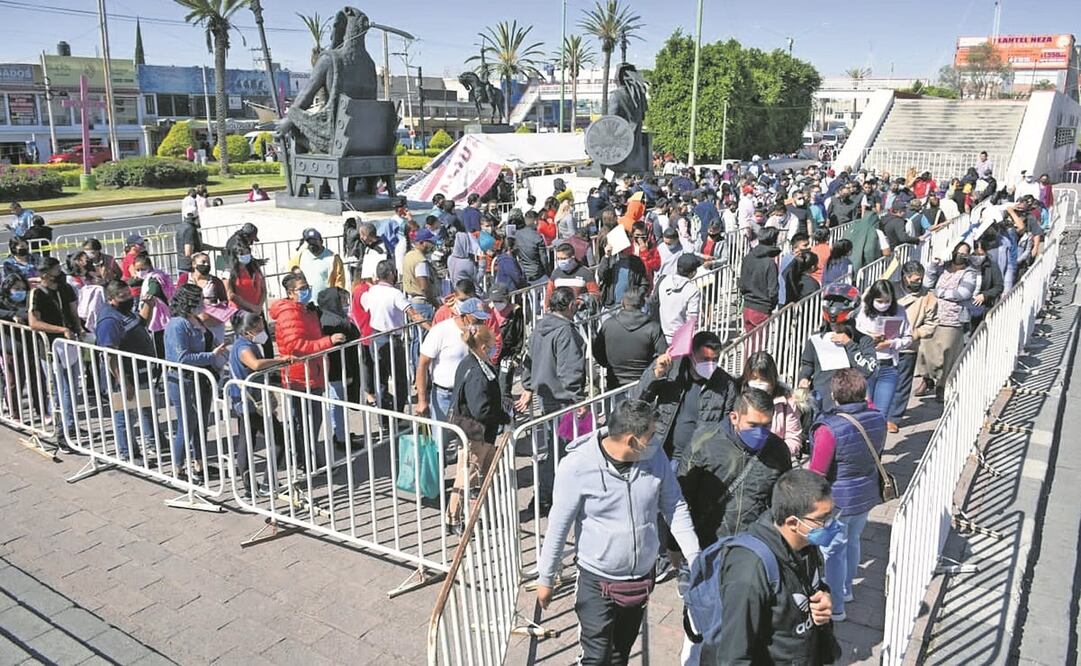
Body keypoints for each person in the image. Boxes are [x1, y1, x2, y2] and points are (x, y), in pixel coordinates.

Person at [536, 399, 702, 666]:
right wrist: (546, 578)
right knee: (596, 657)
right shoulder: (576, 467)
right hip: (597, 582)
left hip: (639, 580)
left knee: (619, 654)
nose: (656, 441)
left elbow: (674, 505)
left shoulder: (654, 456)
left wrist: (694, 555)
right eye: (650, 436)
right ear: (632, 441)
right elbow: (558, 525)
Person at [691, 469, 839, 664]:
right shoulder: (750, 571)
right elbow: (733, 656)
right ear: (793, 522)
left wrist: (823, 596)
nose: (831, 524)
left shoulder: (806, 544)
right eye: (823, 519)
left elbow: (807, 586)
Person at [807, 368, 887, 622]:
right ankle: (847, 589)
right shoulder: (877, 417)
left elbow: (817, 471)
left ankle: (836, 606)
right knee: (853, 540)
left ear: (833, 394)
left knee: (832, 551)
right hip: (865, 493)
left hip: (837, 500)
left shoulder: (829, 429)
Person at [678, 386, 792, 555]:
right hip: (706, 547)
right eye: (753, 425)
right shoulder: (704, 442)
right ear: (734, 417)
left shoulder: (778, 450)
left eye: (766, 425)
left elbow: (783, 502)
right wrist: (677, 546)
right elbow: (682, 496)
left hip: (753, 550)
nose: (760, 432)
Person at [517, 286, 587, 513]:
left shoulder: (540, 327)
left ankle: (548, 494)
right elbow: (570, 370)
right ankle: (547, 496)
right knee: (563, 450)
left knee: (557, 446)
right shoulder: (565, 332)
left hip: (546, 395)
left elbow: (528, 358)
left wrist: (528, 385)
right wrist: (578, 400)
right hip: (563, 400)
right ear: (569, 307)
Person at [270, 274, 347, 470]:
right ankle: (308, 461)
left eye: (307, 286)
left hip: (314, 372)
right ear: (290, 293)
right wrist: (328, 342)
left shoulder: (304, 310)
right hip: (300, 376)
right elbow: (296, 345)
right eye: (302, 288)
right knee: (305, 421)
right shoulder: (289, 314)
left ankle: (307, 458)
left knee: (311, 420)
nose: (307, 291)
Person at [631, 331, 739, 466]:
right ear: (691, 355)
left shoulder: (725, 384)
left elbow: (726, 426)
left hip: (693, 460)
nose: (710, 365)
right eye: (705, 359)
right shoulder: (671, 368)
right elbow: (637, 401)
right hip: (659, 450)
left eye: (715, 360)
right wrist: (656, 374)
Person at [445, 324, 509, 532]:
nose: (493, 347)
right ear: (483, 346)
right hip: (475, 433)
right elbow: (481, 409)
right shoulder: (476, 371)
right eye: (491, 343)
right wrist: (502, 416)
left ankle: (472, 515)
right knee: (467, 476)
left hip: (479, 432)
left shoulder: (472, 363)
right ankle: (453, 519)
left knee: (478, 475)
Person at [164, 283, 227, 483]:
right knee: (187, 424)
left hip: (203, 377)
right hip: (184, 380)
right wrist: (211, 355)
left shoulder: (197, 319)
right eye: (199, 299)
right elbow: (180, 358)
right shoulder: (177, 324)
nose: (203, 303)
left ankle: (199, 464)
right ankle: (178, 468)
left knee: (201, 423)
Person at [227, 312, 293, 499]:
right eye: (259, 328)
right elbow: (255, 364)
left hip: (244, 401)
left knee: (246, 441)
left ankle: (250, 488)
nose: (263, 331)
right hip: (251, 403)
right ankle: (267, 483)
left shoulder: (243, 343)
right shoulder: (243, 347)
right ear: (248, 330)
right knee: (278, 440)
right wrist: (280, 361)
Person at [96, 280, 159, 463]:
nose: (128, 298)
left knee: (146, 409)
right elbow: (110, 355)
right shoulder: (109, 320)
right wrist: (124, 382)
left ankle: (154, 443)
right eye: (122, 296)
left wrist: (149, 306)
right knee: (125, 416)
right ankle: (128, 453)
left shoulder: (125, 312)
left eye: (128, 294)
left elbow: (141, 324)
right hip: (125, 376)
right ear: (110, 299)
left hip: (141, 372)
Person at [798, 283, 878, 414]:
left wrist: (850, 345)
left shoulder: (864, 340)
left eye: (840, 325)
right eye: (832, 325)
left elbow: (869, 370)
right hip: (821, 404)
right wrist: (804, 378)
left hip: (851, 405)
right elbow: (807, 363)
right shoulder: (816, 339)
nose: (835, 329)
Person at [28, 258, 85, 440]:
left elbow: (73, 311)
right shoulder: (36, 294)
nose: (60, 272)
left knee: (72, 387)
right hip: (50, 348)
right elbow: (34, 323)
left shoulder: (65, 288)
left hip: (70, 344)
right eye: (56, 270)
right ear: (45, 274)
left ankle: (71, 423)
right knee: (58, 389)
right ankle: (62, 428)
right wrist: (61, 330)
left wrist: (79, 329)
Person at [361, 260, 429, 411]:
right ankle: (397, 415)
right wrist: (431, 327)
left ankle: (384, 418)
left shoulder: (372, 291)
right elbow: (413, 314)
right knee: (400, 380)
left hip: (375, 336)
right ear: (391, 274)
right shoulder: (395, 294)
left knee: (381, 380)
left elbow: (364, 305)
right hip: (391, 338)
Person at [416, 297, 491, 425]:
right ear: (464, 315)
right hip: (444, 395)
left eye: (483, 320)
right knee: (441, 440)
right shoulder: (441, 331)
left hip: (471, 393)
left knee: (471, 439)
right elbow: (423, 364)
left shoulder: (479, 333)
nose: (480, 323)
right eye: (476, 319)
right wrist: (422, 400)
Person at [918, 242, 977, 401]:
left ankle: (942, 386)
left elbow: (963, 293)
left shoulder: (969, 273)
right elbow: (927, 284)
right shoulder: (943, 268)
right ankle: (926, 379)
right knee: (925, 348)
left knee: (947, 352)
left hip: (953, 318)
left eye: (965, 253)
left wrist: (939, 292)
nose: (961, 255)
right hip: (933, 315)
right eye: (958, 252)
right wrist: (933, 266)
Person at [855, 280, 912, 420]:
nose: (883, 304)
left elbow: (908, 338)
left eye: (887, 301)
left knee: (881, 414)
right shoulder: (862, 311)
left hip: (888, 367)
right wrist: (869, 338)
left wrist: (891, 343)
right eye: (879, 301)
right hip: (866, 366)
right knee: (863, 411)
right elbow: (855, 335)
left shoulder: (900, 310)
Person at [890, 262, 936, 432]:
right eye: (915, 279)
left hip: (908, 345)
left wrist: (915, 334)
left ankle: (894, 417)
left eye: (921, 279)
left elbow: (932, 323)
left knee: (903, 382)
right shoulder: (891, 289)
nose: (918, 282)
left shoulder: (927, 296)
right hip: (887, 343)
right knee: (883, 379)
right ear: (905, 277)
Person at [593, 288, 667, 389]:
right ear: (643, 304)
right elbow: (663, 354)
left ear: (623, 303)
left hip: (615, 383)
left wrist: (609, 365)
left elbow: (597, 351)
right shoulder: (653, 327)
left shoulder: (608, 325)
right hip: (643, 384)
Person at [318, 286, 362, 450]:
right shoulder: (336, 322)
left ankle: (341, 433)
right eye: (342, 301)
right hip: (338, 370)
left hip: (334, 370)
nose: (345, 304)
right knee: (337, 405)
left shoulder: (328, 317)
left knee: (336, 404)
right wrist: (348, 372)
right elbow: (354, 335)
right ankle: (341, 438)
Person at [741, 351, 804, 459]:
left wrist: (777, 454)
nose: (758, 382)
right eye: (754, 378)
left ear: (772, 379)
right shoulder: (738, 396)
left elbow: (793, 438)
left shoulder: (786, 402)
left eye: (763, 379)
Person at [225, 245, 270, 356]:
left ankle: (271, 369)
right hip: (240, 312)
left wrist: (259, 306)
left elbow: (263, 289)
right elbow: (230, 294)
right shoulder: (229, 271)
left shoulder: (254, 268)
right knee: (247, 341)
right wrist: (251, 307)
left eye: (247, 253)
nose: (245, 256)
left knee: (265, 339)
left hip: (257, 308)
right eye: (242, 254)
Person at [131, 254, 175, 360]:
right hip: (163, 315)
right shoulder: (154, 275)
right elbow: (133, 282)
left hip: (157, 317)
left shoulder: (154, 278)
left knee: (158, 347)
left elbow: (153, 290)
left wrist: (148, 296)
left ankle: (160, 369)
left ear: (149, 267)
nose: (140, 271)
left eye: (143, 269)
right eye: (137, 269)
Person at [180, 253, 229, 347]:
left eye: (208, 262)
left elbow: (224, 301)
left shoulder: (215, 281)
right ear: (194, 264)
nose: (206, 265)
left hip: (212, 321)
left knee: (215, 347)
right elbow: (178, 299)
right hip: (191, 320)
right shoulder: (184, 279)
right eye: (203, 262)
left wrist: (219, 314)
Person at [740, 227, 781, 333]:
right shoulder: (769, 263)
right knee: (759, 346)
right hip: (761, 308)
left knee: (749, 343)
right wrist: (771, 306)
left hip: (747, 306)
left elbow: (742, 284)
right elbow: (773, 290)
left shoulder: (747, 258)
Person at [288, 228, 345, 302]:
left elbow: (339, 281)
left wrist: (336, 299)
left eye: (315, 241)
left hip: (325, 304)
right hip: (306, 304)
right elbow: (291, 268)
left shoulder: (333, 258)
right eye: (309, 242)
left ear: (321, 241)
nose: (312, 244)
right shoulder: (301, 255)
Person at [657, 254, 702, 344]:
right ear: (692, 273)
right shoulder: (693, 290)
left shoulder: (663, 280)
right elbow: (692, 319)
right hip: (680, 337)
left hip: (661, 333)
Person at [545, 242, 600, 309]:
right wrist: (547, 307)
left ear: (572, 257)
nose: (560, 261)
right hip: (561, 314)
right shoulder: (555, 273)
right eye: (558, 258)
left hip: (580, 314)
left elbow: (595, 294)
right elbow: (549, 293)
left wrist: (582, 301)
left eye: (563, 258)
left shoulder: (585, 273)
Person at [969, 235, 1004, 330]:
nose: (978, 257)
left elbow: (999, 286)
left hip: (980, 305)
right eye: (975, 254)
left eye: (980, 254)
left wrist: (985, 295)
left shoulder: (992, 266)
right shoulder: (965, 265)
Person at [515, 210, 552, 283]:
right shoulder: (537, 237)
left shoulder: (517, 234)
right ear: (535, 221)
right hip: (537, 274)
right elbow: (543, 258)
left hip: (523, 273)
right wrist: (548, 272)